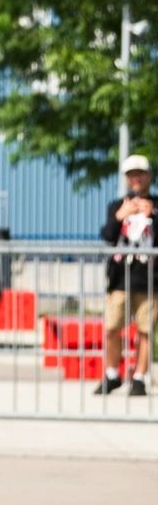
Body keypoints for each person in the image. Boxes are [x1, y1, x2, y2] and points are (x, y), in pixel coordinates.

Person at [101, 154, 156, 398]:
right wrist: (119, 216)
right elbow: (107, 235)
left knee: (145, 330)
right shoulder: (116, 205)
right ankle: (112, 374)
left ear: (149, 176)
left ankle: (139, 377)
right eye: (131, 174)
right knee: (112, 327)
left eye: (140, 173)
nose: (136, 178)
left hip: (150, 279)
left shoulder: (155, 204)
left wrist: (153, 215)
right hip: (120, 279)